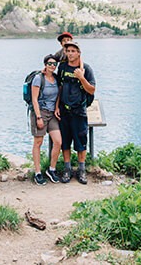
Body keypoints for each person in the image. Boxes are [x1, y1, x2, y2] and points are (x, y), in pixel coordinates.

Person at [55, 41, 95, 184]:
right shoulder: (63, 67)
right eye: (68, 51)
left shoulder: (86, 69)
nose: (70, 53)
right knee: (65, 142)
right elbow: (59, 87)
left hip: (79, 111)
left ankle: (81, 170)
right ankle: (67, 169)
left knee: (81, 142)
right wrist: (56, 106)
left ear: (79, 53)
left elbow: (91, 90)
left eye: (73, 51)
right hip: (64, 111)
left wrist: (81, 77)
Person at [30, 54, 63, 185]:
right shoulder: (39, 79)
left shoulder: (56, 79)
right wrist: (38, 117)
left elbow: (58, 95)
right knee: (38, 142)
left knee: (58, 141)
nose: (52, 66)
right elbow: (34, 99)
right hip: (40, 113)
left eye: (54, 64)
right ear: (45, 64)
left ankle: (51, 169)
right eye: (49, 63)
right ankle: (38, 172)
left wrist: (56, 108)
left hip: (52, 114)